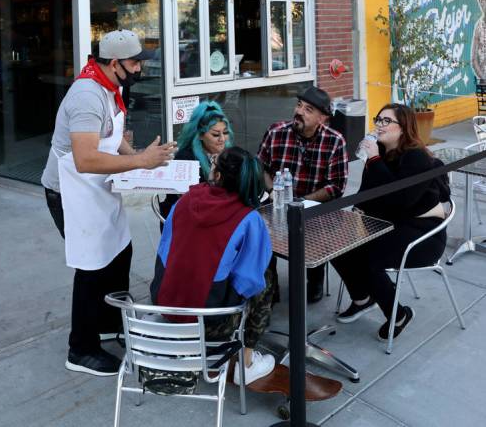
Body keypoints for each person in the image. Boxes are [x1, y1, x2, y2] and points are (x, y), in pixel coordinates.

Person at [41, 29, 176, 376]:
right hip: (69, 192)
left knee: (120, 253)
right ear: (114, 62)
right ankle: (81, 349)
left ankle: (107, 325)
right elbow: (85, 158)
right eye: (134, 63)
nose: (139, 70)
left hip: (97, 188)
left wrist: (144, 158)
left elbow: (111, 141)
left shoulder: (110, 85)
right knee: (92, 267)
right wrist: (141, 163)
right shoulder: (87, 95)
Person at [151, 146, 276, 385]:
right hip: (211, 322)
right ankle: (246, 363)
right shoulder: (249, 219)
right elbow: (249, 282)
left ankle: (179, 339)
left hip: (167, 307)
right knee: (265, 278)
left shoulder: (185, 200)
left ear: (216, 175)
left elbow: (164, 253)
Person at [333, 103, 450, 342]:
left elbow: (401, 200)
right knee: (336, 244)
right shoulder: (379, 157)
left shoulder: (415, 156)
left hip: (423, 235)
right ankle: (363, 299)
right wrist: (357, 211)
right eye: (379, 120)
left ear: (404, 128)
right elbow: (367, 194)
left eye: (387, 121)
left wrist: (375, 159)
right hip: (390, 225)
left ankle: (399, 315)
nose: (379, 125)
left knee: (369, 257)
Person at [257, 85, 348, 302]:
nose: (299, 112)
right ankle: (270, 284)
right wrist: (272, 192)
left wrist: (302, 202)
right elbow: (260, 168)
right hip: (276, 201)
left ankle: (315, 278)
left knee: (317, 229)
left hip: (313, 208)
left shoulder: (335, 141)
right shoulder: (276, 131)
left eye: (308, 110)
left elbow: (336, 186)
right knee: (259, 231)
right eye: (299, 105)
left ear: (322, 118)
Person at [159, 100, 234, 221]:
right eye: (215, 135)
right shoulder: (186, 158)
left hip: (213, 213)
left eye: (225, 133)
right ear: (199, 135)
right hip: (185, 221)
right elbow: (195, 203)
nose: (222, 139)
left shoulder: (228, 153)